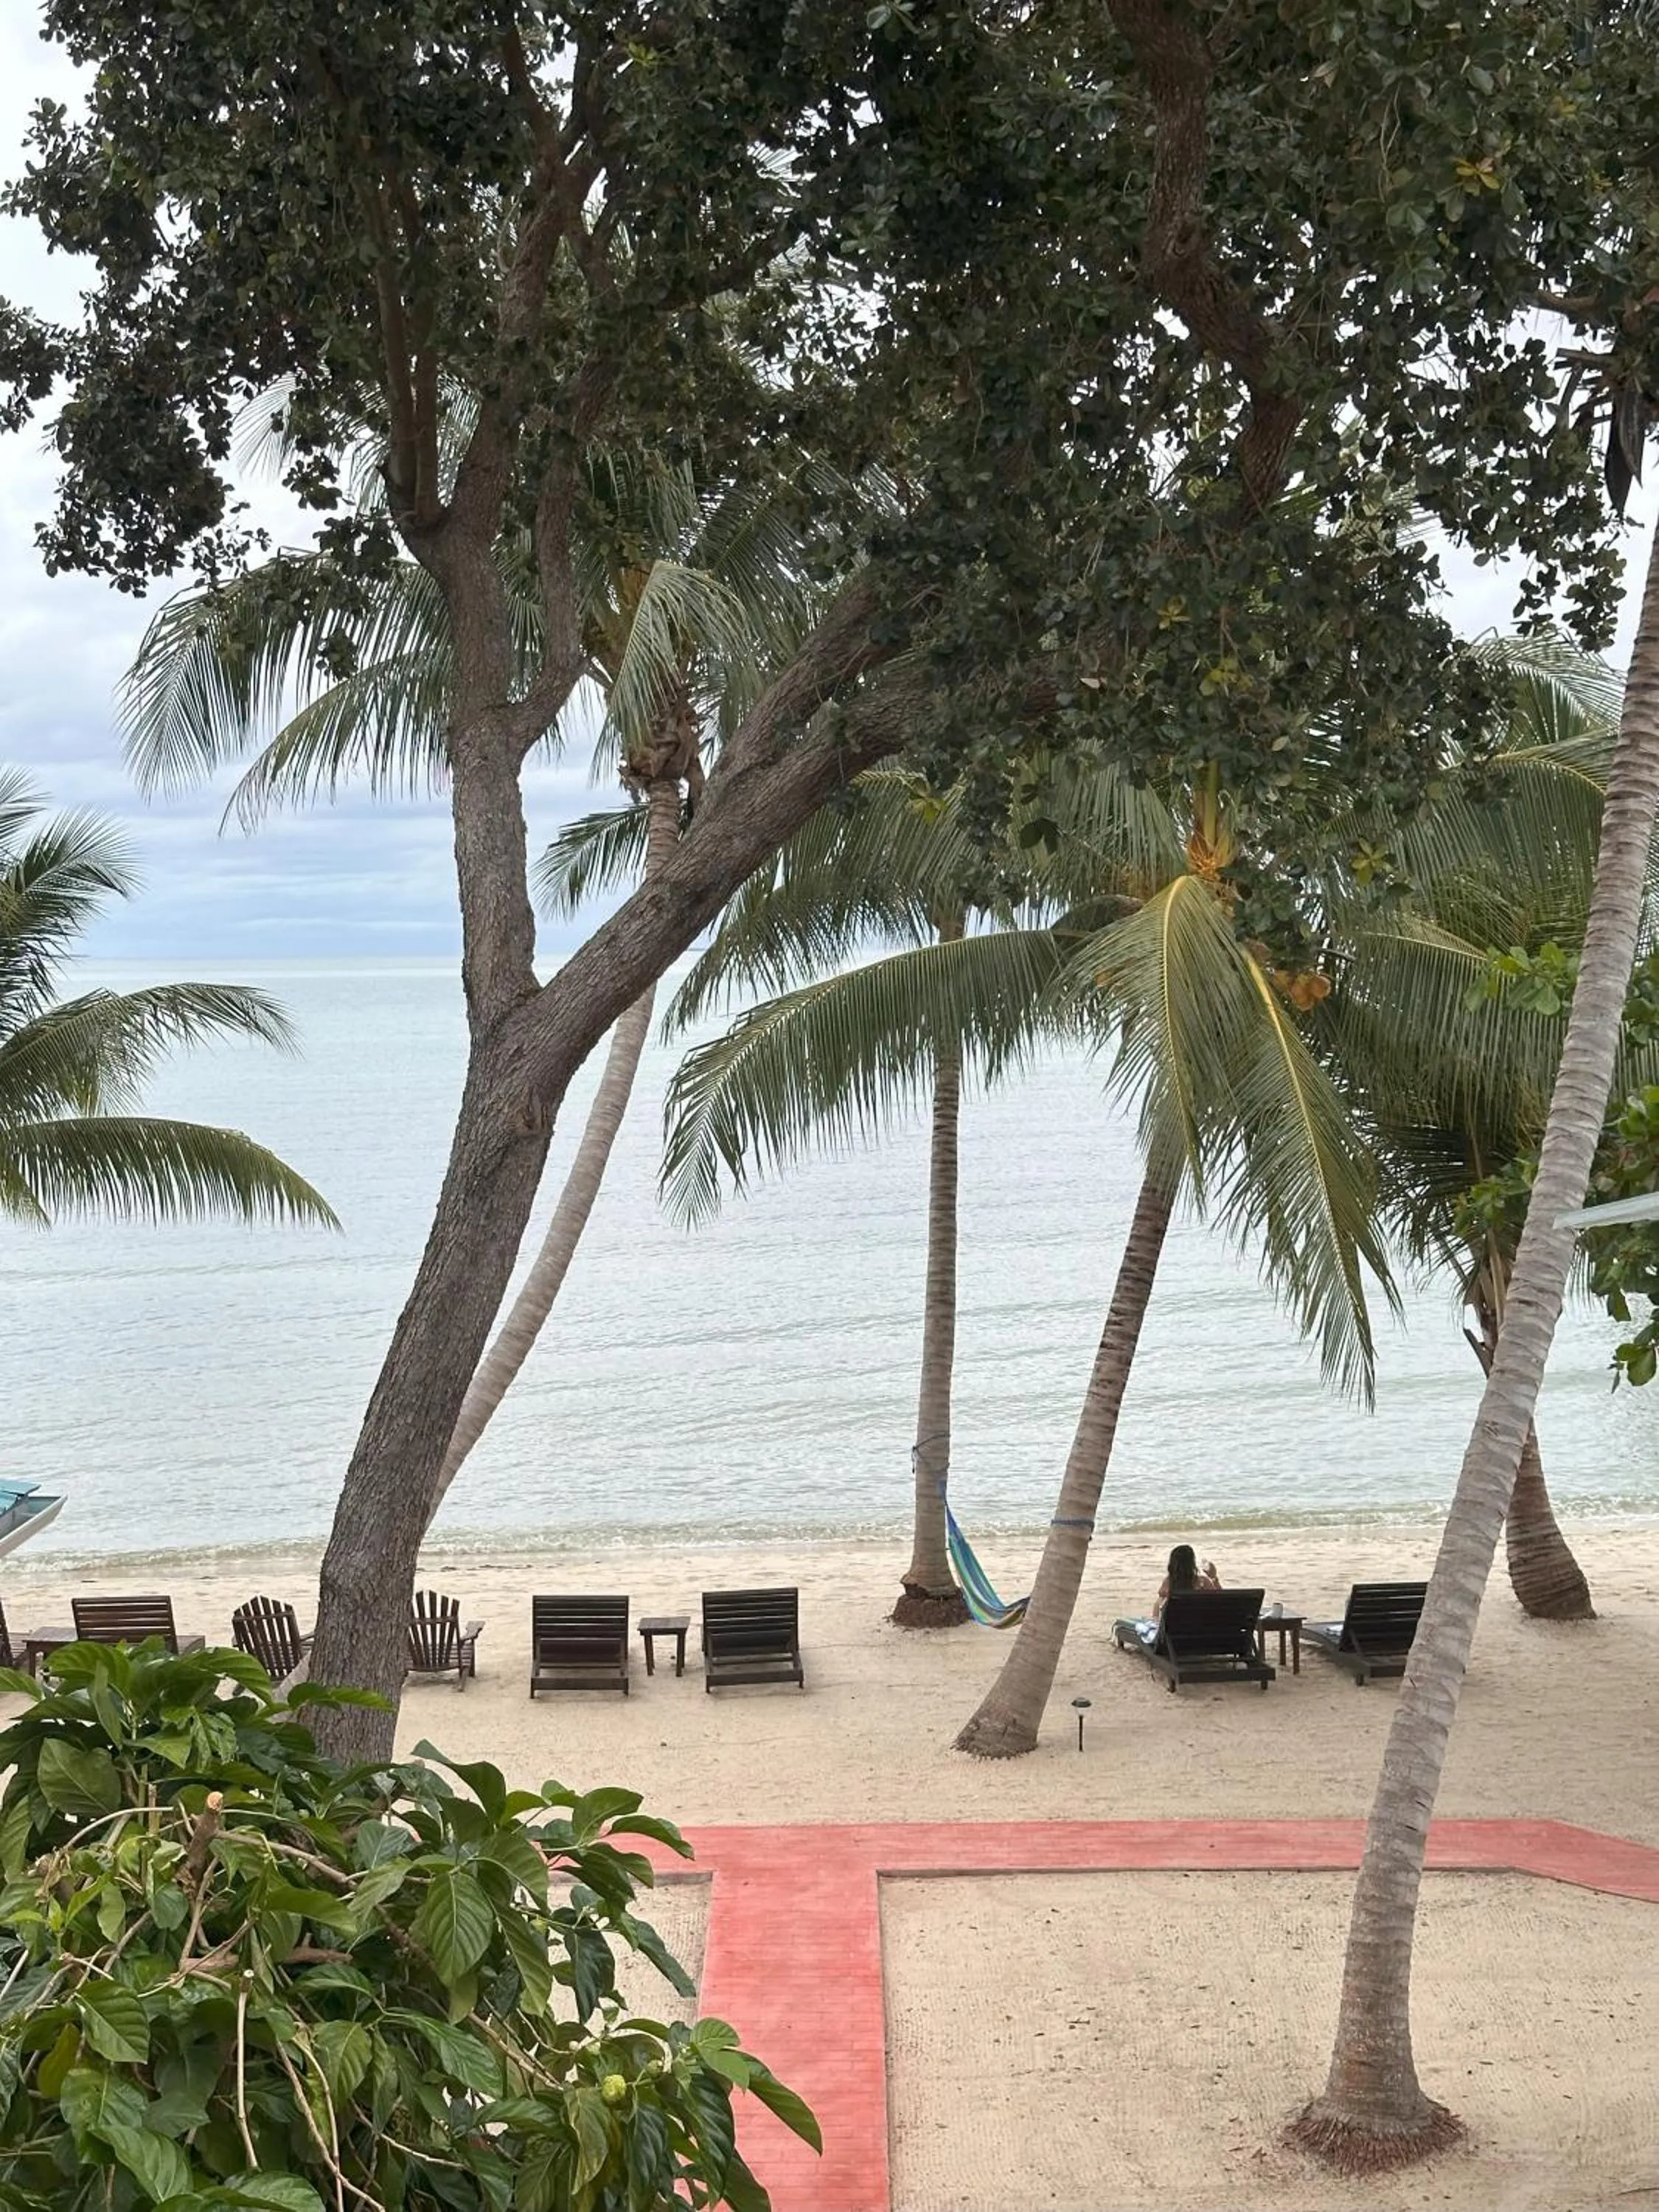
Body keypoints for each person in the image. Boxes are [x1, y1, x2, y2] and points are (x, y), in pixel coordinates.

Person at [1155, 1543, 1220, 1618]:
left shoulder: (1168, 1584)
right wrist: (1214, 1577)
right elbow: (1220, 1603)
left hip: (1174, 1628)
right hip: (1199, 1626)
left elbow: (1157, 1616)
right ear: (1192, 1563)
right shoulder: (1203, 1583)